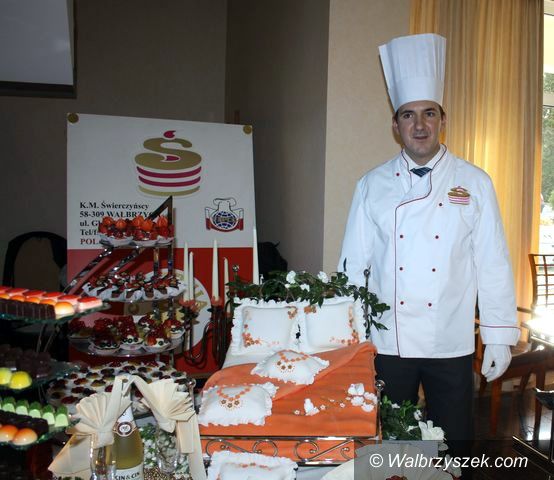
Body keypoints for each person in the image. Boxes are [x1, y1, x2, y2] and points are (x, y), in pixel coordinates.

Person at [338, 33, 520, 467]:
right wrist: (349, 336)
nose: (419, 125)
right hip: (389, 342)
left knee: (454, 448)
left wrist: (498, 336)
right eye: (408, 115)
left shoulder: (475, 182)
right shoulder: (371, 185)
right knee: (392, 450)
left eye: (429, 113)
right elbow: (352, 267)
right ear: (395, 125)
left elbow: (492, 262)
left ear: (442, 121)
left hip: (450, 340)